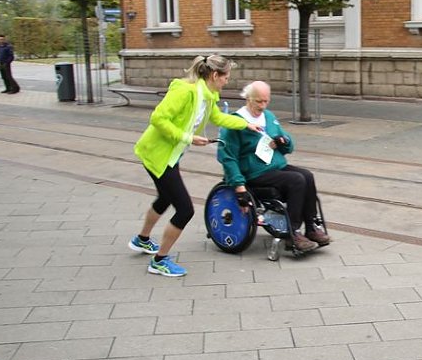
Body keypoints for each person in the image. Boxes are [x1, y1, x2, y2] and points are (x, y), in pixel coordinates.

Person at [129, 55, 262, 277]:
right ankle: (159, 260)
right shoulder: (185, 91)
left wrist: (246, 124)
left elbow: (218, 118)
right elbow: (158, 119)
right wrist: (188, 138)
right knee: (185, 209)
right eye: (226, 77)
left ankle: (142, 239)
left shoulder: (208, 96)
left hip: (168, 155)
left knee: (165, 198)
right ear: (214, 75)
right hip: (157, 155)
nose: (227, 81)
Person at [218, 80, 330, 252]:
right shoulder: (235, 122)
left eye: (266, 101)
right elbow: (227, 157)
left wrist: (283, 141)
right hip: (253, 172)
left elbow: (289, 146)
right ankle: (292, 234)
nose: (263, 106)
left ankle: (311, 227)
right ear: (248, 98)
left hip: (275, 165)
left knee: (307, 175)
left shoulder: (269, 117)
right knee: (296, 180)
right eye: (259, 101)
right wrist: (238, 186)